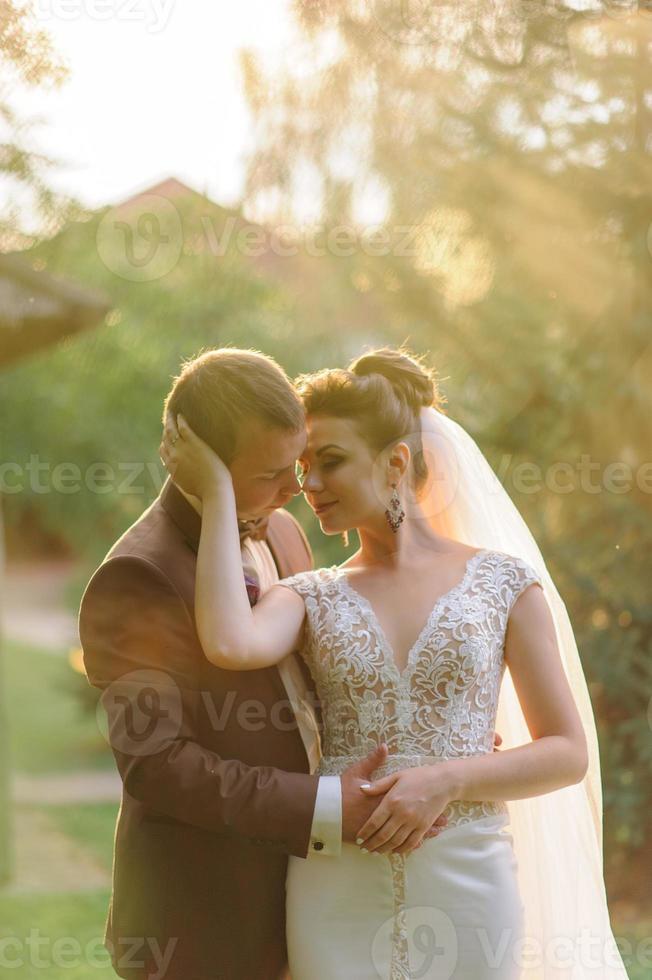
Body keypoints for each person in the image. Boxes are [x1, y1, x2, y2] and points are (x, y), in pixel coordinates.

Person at [160, 346, 629, 980]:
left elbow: (568, 751)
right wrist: (217, 491)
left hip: (467, 874)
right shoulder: (308, 594)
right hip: (338, 885)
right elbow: (230, 643)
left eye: (330, 461)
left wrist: (447, 780)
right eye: (303, 468)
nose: (309, 486)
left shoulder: (504, 585)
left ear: (396, 463)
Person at [79, 348, 450, 980]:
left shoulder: (281, 531)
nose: (297, 490)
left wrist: (431, 737)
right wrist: (329, 808)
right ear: (206, 471)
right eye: (272, 474)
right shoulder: (138, 575)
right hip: (206, 920)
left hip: (323, 897)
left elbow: (319, 686)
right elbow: (156, 765)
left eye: (301, 464)